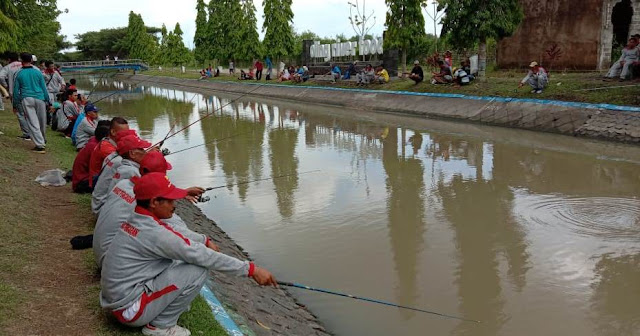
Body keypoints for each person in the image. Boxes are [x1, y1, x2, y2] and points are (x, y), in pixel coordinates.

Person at [100, 172, 277, 336]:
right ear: (154, 202)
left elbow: (181, 240)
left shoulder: (138, 218)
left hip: (118, 298)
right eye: (169, 201)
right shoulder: (155, 234)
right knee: (198, 269)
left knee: (179, 261)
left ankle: (161, 311)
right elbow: (200, 254)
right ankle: (160, 326)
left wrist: (203, 240)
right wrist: (251, 269)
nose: (174, 205)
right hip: (129, 310)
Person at [93, 151, 207, 267]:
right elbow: (180, 233)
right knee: (185, 255)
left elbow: (152, 190)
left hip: (102, 252)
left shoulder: (123, 184)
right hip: (112, 263)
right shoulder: (146, 204)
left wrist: (182, 192)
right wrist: (205, 241)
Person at [91, 129, 145, 214]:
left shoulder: (113, 156)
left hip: (100, 203)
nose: (144, 151)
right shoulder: (122, 164)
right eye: (142, 149)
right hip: (101, 207)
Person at [13, 52, 50, 153]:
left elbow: (16, 91)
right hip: (40, 98)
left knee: (32, 122)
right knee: (42, 121)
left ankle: (40, 145)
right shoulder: (38, 72)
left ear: (21, 61)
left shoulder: (19, 73)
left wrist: (15, 104)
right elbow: (44, 88)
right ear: (31, 60)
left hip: (26, 99)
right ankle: (42, 140)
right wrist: (48, 100)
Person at [89, 117, 130, 188]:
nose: (128, 136)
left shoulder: (109, 142)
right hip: (97, 181)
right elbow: (125, 162)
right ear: (113, 132)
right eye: (124, 133)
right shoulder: (106, 147)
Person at [1, 52, 31, 140]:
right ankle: (34, 132)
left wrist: (6, 85)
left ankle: (27, 134)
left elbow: (1, 76)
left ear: (9, 59)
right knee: (30, 113)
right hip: (29, 93)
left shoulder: (8, 67)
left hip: (15, 93)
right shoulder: (28, 65)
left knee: (20, 113)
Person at [73, 122, 110, 193]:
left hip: (80, 179)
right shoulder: (95, 147)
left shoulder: (94, 141)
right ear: (105, 137)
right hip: (81, 182)